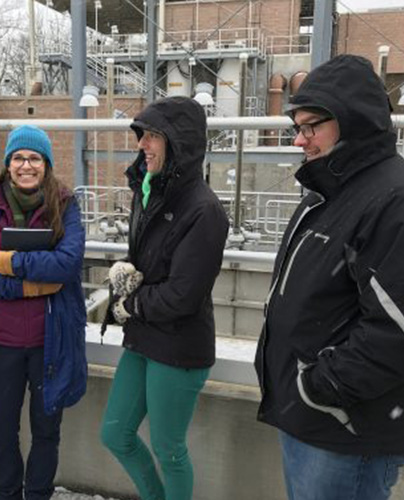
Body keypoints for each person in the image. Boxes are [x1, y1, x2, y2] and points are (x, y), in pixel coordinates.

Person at [254, 55, 404, 500]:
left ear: (351, 119)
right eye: (297, 127)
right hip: (311, 417)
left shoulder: (402, 201)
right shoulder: (329, 193)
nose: (299, 141)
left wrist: (317, 386)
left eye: (311, 127)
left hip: (347, 430)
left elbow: (401, 335)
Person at [99, 96, 229, 500]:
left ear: (180, 143)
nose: (142, 145)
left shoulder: (204, 210)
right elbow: (151, 261)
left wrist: (130, 304)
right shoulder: (148, 189)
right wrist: (127, 271)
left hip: (178, 344)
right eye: (143, 135)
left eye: (152, 135)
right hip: (144, 336)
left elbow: (184, 294)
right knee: (115, 433)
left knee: (169, 449)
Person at [0, 125, 87, 500]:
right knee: (0, 432)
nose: (26, 165)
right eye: (18, 158)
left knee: (46, 431)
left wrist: (5, 261)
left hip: (51, 345)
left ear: (46, 164)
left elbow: (67, 265)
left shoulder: (65, 204)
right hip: (0, 345)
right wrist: (25, 286)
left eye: (34, 158)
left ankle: (39, 495)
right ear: (8, 164)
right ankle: (7, 494)